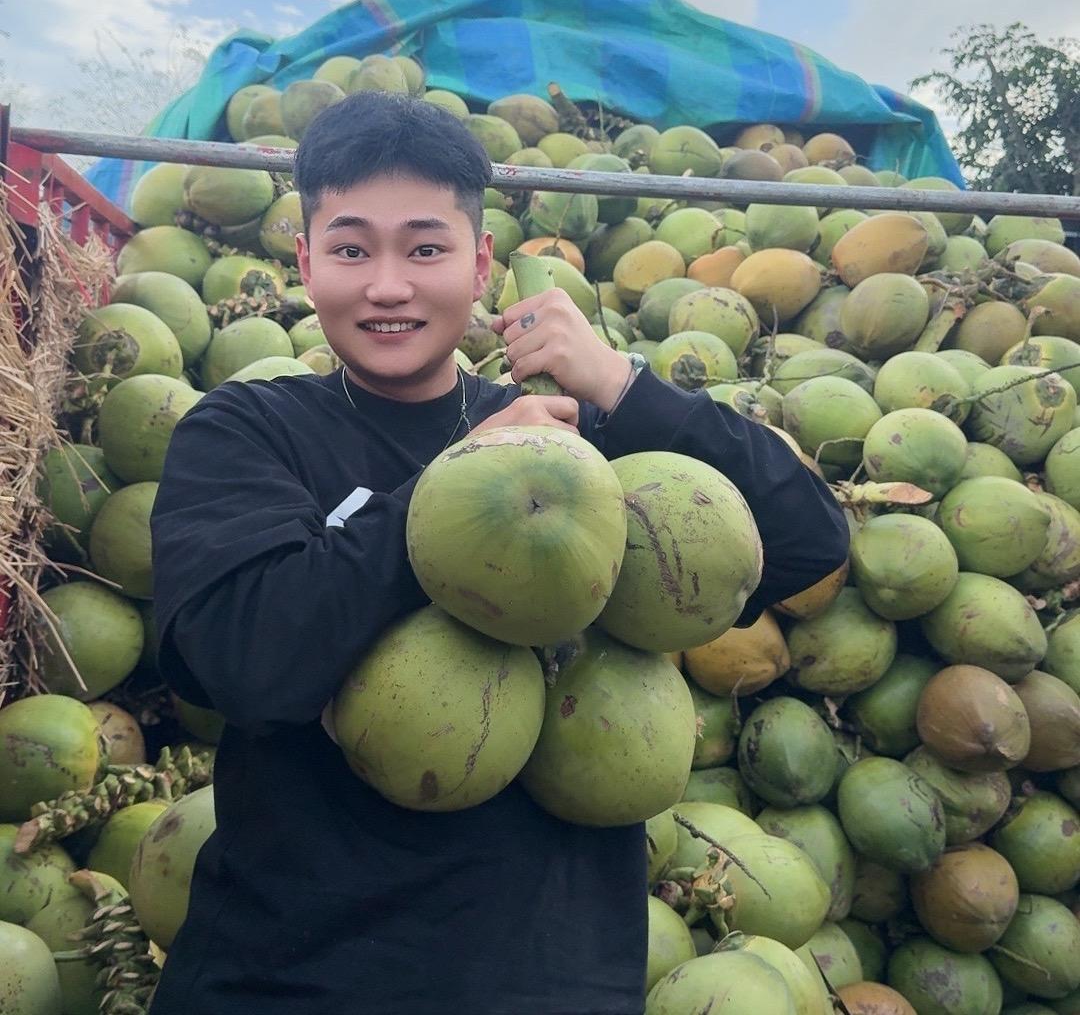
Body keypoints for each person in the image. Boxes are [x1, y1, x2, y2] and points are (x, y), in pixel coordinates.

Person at [148, 89, 849, 1014]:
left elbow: (803, 542)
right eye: (352, 248)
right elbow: (236, 661)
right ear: (305, 259)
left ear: (480, 265)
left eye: (426, 248)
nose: (388, 285)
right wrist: (465, 486)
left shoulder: (578, 440)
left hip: (544, 978)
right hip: (292, 973)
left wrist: (620, 387)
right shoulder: (248, 430)